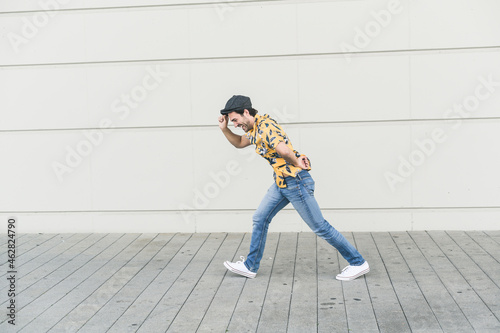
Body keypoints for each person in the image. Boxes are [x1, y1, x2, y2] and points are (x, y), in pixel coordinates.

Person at [218, 95, 369, 281]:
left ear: (246, 112)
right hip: (282, 183)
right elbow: (240, 143)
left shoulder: (265, 127)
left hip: (295, 182)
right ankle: (250, 266)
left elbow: (283, 150)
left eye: (235, 120)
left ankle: (358, 262)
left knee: (320, 226)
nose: (234, 124)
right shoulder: (255, 128)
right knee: (260, 218)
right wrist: (224, 129)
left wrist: (296, 160)